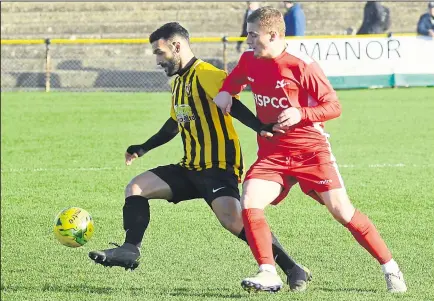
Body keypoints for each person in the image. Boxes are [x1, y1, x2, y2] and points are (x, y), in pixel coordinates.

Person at [88, 22, 312, 291]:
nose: (158, 60)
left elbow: (233, 103)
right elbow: (175, 123)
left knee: (233, 221)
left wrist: (260, 127)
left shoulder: (206, 73)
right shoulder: (179, 83)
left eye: (160, 53)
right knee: (136, 188)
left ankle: (292, 268)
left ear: (177, 46)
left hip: (218, 166)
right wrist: (143, 147)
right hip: (189, 167)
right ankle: (129, 249)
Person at [213, 6, 407, 293]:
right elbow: (234, 82)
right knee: (251, 201)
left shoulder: (301, 64)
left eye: (253, 35)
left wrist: (301, 113)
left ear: (274, 34)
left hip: (310, 152)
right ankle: (269, 271)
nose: (248, 40)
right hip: (273, 154)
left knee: (342, 211)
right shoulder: (248, 59)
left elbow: (334, 106)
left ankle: (390, 268)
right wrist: (228, 91)